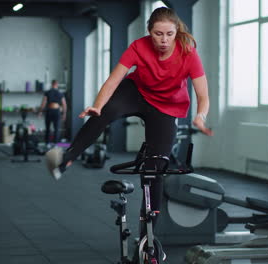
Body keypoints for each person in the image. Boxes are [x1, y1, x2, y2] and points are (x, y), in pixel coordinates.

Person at [45, 6, 213, 262]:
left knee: (156, 169)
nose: (164, 40)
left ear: (176, 31)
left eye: (169, 33)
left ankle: (148, 238)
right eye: (158, 34)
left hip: (166, 107)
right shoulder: (138, 47)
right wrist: (98, 105)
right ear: (149, 32)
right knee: (105, 111)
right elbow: (113, 80)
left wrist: (200, 116)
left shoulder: (188, 52)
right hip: (136, 93)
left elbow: (202, 94)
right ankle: (66, 159)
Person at [39, 80, 67, 146]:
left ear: (52, 84)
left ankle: (47, 143)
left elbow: (43, 103)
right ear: (57, 85)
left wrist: (40, 111)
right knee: (56, 128)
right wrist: (64, 114)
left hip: (49, 110)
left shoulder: (47, 92)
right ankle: (56, 144)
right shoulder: (60, 93)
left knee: (48, 128)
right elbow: (64, 104)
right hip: (57, 111)